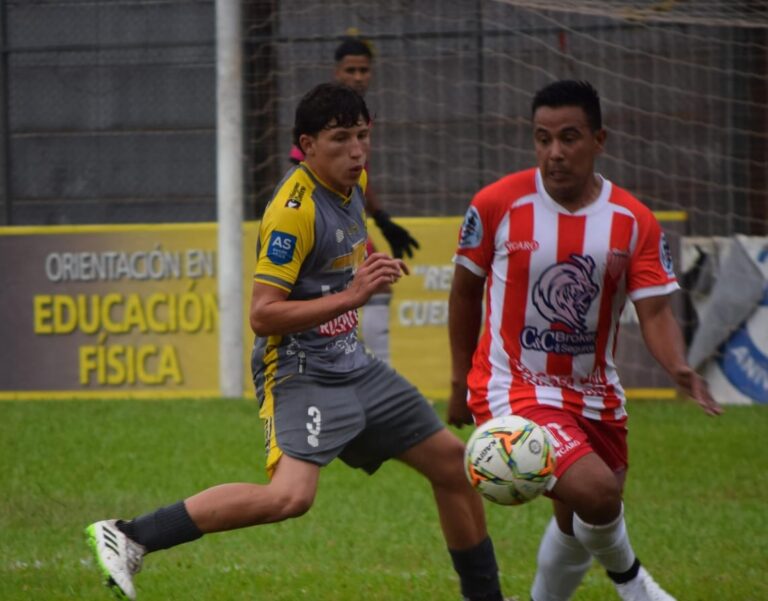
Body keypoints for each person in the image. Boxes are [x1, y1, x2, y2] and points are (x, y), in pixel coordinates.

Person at [85, 83, 505, 601]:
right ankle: (130, 535)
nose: (356, 151)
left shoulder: (354, 183)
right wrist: (352, 296)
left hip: (355, 364)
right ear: (306, 144)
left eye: (363, 136)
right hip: (300, 369)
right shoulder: (292, 211)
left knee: (454, 467)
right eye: (340, 139)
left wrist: (368, 266)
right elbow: (263, 315)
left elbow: (342, 255)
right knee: (290, 498)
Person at [447, 80, 722, 601]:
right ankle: (633, 584)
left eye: (569, 138)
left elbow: (656, 310)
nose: (555, 153)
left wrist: (677, 367)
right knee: (597, 494)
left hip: (594, 391)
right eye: (542, 138)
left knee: (582, 517)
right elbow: (464, 295)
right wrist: (460, 378)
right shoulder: (496, 204)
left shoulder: (633, 221)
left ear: (599, 139)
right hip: (513, 386)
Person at [289, 35, 419, 364]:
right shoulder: (324, 115)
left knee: (371, 288)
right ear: (337, 72)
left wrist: (383, 219)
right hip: (324, 221)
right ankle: (378, 373)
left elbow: (359, 180)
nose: (358, 76)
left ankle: (364, 372)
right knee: (371, 287)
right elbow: (301, 167)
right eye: (351, 70)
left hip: (347, 219)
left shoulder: (359, 116)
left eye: (364, 70)